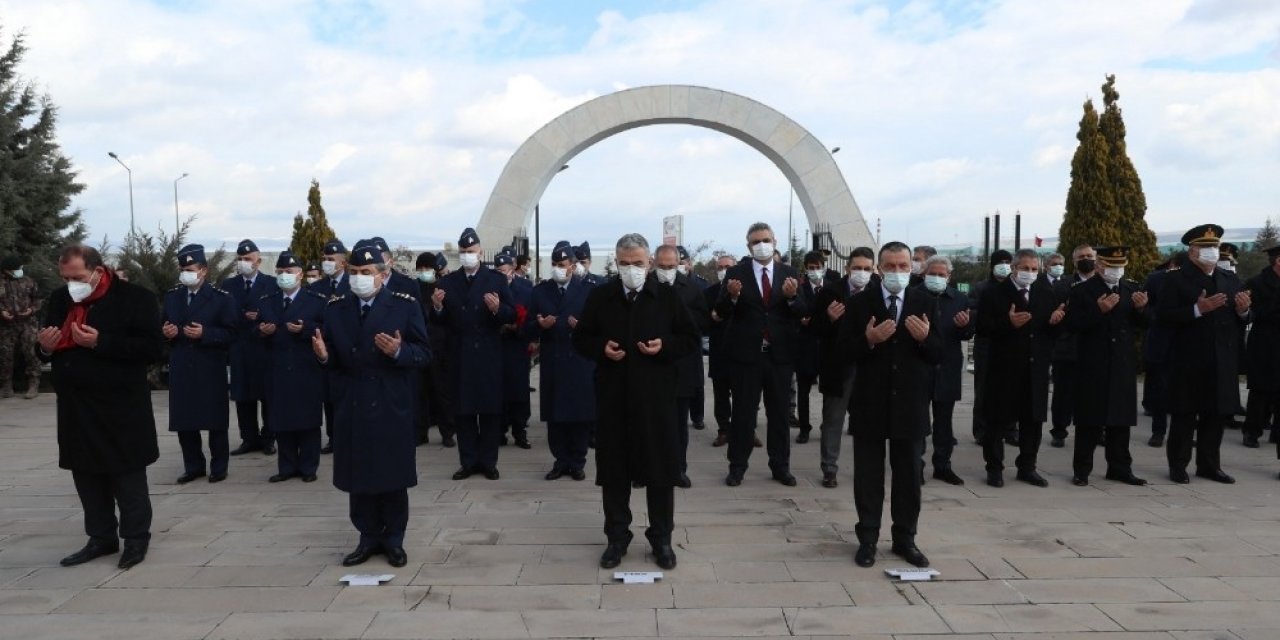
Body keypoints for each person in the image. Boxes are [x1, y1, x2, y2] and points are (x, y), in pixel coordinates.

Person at [572, 232, 699, 571]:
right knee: (614, 473)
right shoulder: (601, 296)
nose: (632, 270)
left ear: (650, 264)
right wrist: (602, 349)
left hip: (656, 400)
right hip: (613, 399)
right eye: (625, 264)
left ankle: (661, 538)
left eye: (638, 264)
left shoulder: (667, 297)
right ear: (616, 263)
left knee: (659, 472)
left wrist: (665, 348)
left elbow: (689, 339)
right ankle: (617, 537)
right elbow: (581, 338)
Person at [37, 245, 162, 570]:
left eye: (77, 277)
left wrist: (101, 342)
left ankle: (135, 539)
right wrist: (45, 349)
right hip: (77, 407)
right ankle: (101, 537)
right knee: (87, 475)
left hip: (120, 406)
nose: (70, 284)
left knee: (127, 475)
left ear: (96, 270)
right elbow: (48, 342)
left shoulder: (136, 298)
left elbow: (153, 349)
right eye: (65, 277)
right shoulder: (60, 299)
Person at [312, 240, 429, 567]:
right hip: (353, 403)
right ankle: (367, 537)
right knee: (359, 475)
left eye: (366, 272)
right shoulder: (337, 307)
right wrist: (324, 357)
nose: (359, 278)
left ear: (383, 274)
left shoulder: (404, 305)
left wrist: (399, 352)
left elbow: (423, 353)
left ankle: (394, 539)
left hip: (390, 403)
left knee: (391, 475)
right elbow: (333, 356)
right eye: (354, 272)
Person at [839, 241, 939, 569]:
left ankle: (905, 539)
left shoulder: (925, 300)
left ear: (913, 268)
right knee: (868, 474)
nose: (898, 272)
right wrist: (869, 340)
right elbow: (842, 352)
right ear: (880, 269)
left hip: (910, 403)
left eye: (904, 266)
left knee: (909, 474)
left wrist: (926, 339)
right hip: (870, 402)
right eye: (891, 266)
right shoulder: (860, 302)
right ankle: (868, 538)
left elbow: (940, 353)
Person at [715, 222, 809, 487]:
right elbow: (721, 311)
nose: (762, 245)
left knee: (779, 414)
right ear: (748, 246)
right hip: (747, 356)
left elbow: (802, 310)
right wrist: (732, 297)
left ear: (775, 241)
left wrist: (792, 298)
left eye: (765, 240)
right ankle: (737, 467)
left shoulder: (789, 272)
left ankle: (780, 466)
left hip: (779, 356)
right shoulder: (736, 273)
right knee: (744, 413)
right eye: (756, 241)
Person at [1158, 224, 1251, 484]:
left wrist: (1244, 311)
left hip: (1222, 359)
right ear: (1192, 252)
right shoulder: (1175, 279)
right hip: (1189, 359)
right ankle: (1178, 465)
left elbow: (1242, 316)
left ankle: (1209, 465)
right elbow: (1163, 317)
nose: (1212, 252)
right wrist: (1197, 310)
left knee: (1215, 414)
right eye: (1206, 247)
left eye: (1215, 247)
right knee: (1185, 415)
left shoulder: (1230, 279)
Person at [431, 228, 516, 480]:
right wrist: (436, 307)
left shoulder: (495, 280)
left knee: (489, 411)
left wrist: (498, 308)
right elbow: (440, 321)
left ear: (480, 251)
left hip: (488, 354)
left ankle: (488, 462)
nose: (468, 255)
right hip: (460, 355)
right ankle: (468, 462)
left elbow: (511, 314)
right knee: (464, 412)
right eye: (464, 252)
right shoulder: (447, 282)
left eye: (472, 251)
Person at [978, 248, 1065, 487]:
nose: (1029, 273)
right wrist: (1008, 323)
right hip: (1004, 367)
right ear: (1014, 268)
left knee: (1033, 420)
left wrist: (1057, 322)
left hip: (1036, 368)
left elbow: (1051, 332)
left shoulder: (1045, 293)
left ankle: (1027, 466)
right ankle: (994, 467)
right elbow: (983, 328)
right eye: (1025, 268)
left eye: (1034, 269)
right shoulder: (994, 293)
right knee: (997, 420)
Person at [1064, 246, 1149, 486]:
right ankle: (1082, 470)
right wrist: (1098, 311)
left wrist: (1143, 309)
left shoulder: (1131, 288)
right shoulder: (1082, 291)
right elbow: (1072, 324)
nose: (1116, 270)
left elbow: (1146, 323)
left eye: (1120, 266)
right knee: (1089, 420)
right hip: (1093, 362)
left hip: (1122, 362)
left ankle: (1120, 467)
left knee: (1120, 420)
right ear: (1100, 266)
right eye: (1112, 266)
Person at [164, 244, 239, 484]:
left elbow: (232, 333)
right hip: (181, 365)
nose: (185, 273)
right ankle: (193, 465)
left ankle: (219, 466)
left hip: (209, 366)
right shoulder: (173, 297)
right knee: (185, 421)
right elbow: (162, 325)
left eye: (190, 268)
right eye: (182, 268)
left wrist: (206, 333)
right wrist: (167, 331)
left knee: (215, 420)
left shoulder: (220, 299)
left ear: (203, 270)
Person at [256, 251, 327, 483]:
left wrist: (306, 329)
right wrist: (261, 331)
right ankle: (286, 467)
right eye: (280, 272)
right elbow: (252, 330)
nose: (284, 275)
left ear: (300, 275)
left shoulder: (316, 301)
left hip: (305, 368)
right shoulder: (267, 301)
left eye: (289, 272)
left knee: (307, 420)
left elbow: (328, 329)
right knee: (281, 418)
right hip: (277, 368)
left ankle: (308, 467)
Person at [528, 241, 597, 481]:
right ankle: (560, 460)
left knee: (580, 415)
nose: (558, 268)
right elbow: (525, 328)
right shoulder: (540, 291)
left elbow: (601, 328)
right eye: (554, 264)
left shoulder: (588, 290)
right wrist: (539, 325)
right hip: (553, 361)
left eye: (562, 265)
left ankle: (577, 461)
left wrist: (583, 328)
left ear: (572, 266)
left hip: (579, 361)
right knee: (555, 416)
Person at [809, 247, 876, 487]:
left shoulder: (878, 291)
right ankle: (829, 469)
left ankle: (867, 468)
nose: (861, 273)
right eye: (857, 268)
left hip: (869, 364)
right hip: (839, 364)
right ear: (847, 269)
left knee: (868, 420)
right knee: (833, 419)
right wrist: (828, 318)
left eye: (867, 269)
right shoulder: (830, 292)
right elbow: (814, 329)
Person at [654, 244, 709, 488]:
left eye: (671, 266)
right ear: (655, 264)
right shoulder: (645, 287)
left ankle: (678, 469)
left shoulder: (692, 289)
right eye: (662, 266)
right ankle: (648, 469)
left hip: (681, 367)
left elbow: (700, 325)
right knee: (650, 423)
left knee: (678, 425)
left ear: (679, 264)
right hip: (651, 366)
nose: (666, 270)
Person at [917, 255, 972, 485]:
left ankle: (943, 465)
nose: (937, 278)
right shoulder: (914, 295)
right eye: (933, 274)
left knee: (944, 421)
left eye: (942, 275)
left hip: (947, 365)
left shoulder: (959, 298)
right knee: (918, 420)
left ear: (949, 277)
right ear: (924, 274)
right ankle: (915, 465)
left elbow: (967, 333)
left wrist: (964, 326)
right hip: (920, 364)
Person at [224, 239, 279, 456]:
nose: (243, 262)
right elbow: (225, 313)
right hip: (239, 347)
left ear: (258, 261)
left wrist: (261, 318)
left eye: (248, 259)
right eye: (240, 259)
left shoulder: (271, 283)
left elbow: (276, 312)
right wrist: (242, 316)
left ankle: (269, 438)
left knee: (267, 396)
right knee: (243, 396)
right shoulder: (229, 285)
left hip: (263, 347)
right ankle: (249, 438)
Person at [1048, 246, 1095, 448]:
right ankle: (1059, 430)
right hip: (1067, 346)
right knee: (1063, 393)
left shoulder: (1104, 283)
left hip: (1094, 347)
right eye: (1081, 257)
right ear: (1074, 261)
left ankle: (1096, 429)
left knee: (1093, 393)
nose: (1086, 260)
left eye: (1089, 256)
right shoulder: (1063, 285)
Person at [969, 249, 1012, 444]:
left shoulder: (1015, 287)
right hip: (986, 344)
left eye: (1008, 262)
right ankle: (981, 429)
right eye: (1001, 262)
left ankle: (1010, 428)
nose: (1005, 265)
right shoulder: (981, 288)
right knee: (984, 388)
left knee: (1010, 388)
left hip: (1010, 345)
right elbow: (974, 314)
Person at [312, 238, 350, 454]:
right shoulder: (317, 287)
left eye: (331, 259)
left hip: (344, 348)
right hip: (323, 349)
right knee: (328, 397)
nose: (326, 263)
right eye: (324, 259)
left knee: (344, 396)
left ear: (342, 263)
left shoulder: (351, 285)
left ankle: (346, 436)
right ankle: (333, 438)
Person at [414, 252, 455, 447]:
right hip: (420, 347)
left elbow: (448, 317)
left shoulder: (443, 287)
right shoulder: (414, 289)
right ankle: (421, 432)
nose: (424, 272)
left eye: (427, 268)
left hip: (440, 348)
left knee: (442, 393)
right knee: (420, 393)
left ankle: (447, 432)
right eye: (420, 269)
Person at [1141, 253, 1182, 447]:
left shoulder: (1196, 280)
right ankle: (1158, 431)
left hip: (1186, 344)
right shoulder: (1155, 279)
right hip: (1160, 341)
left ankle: (1183, 433)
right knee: (1160, 390)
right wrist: (1158, 317)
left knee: (1185, 393)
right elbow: (1144, 308)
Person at [1245, 244, 1280, 466]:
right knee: (1260, 392)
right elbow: (1254, 314)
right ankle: (1252, 431)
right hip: (1265, 344)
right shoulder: (1257, 283)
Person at [496, 251, 534, 449]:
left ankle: (520, 430)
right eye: (499, 271)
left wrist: (519, 328)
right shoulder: (491, 288)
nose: (503, 274)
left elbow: (531, 315)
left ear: (512, 269)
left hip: (518, 345)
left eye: (505, 270)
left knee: (519, 389)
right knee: (499, 390)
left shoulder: (526, 288)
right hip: (498, 346)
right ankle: (500, 430)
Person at [705, 255, 739, 448]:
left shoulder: (747, 291)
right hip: (719, 351)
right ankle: (724, 430)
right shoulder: (709, 293)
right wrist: (713, 318)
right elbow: (704, 320)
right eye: (720, 267)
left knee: (744, 395)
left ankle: (746, 430)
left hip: (741, 352)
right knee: (721, 395)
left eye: (728, 267)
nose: (724, 270)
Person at [677, 245, 709, 432]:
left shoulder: (700, 284)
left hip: (693, 339)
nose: (680, 266)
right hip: (674, 339)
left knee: (697, 382)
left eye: (683, 262)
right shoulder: (666, 282)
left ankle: (697, 416)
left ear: (689, 263)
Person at [794, 251, 824, 444]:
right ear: (805, 269)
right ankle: (804, 428)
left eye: (818, 267)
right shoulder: (800, 289)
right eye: (811, 268)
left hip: (826, 348)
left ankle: (827, 425)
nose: (814, 271)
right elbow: (797, 312)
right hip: (805, 348)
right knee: (803, 392)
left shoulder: (830, 288)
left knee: (829, 391)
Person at [1, 254, 41, 399]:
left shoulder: (29, 281)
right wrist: (2, 312)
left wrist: (31, 310)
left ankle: (33, 383)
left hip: (27, 323)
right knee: (5, 355)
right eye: (15, 269)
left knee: (31, 352)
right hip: (6, 326)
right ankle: (6, 385)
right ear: (6, 270)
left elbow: (38, 300)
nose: (19, 270)